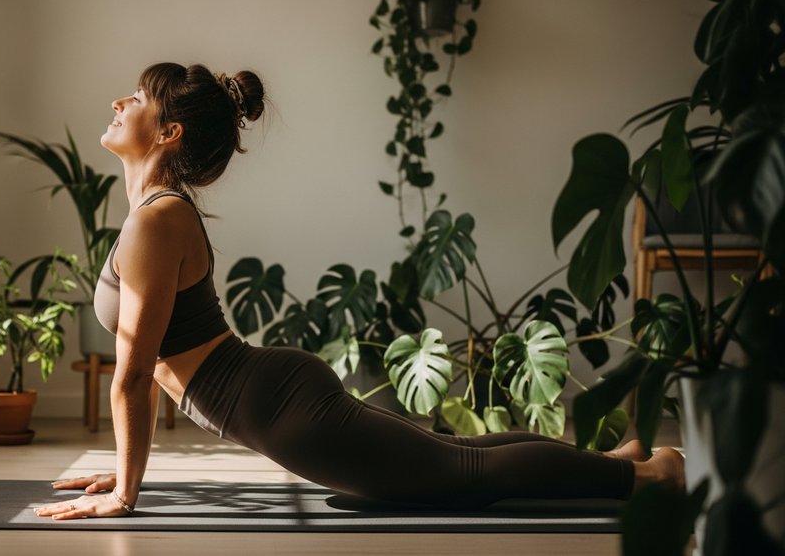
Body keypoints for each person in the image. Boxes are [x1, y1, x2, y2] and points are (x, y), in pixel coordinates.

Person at [34, 62, 685, 520]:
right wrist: (124, 472)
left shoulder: (158, 218)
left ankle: (647, 476)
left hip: (277, 408)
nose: (119, 103)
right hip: (272, 396)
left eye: (136, 97)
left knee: (457, 478)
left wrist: (126, 493)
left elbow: (134, 375)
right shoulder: (155, 213)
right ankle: (619, 459)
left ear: (169, 132)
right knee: (451, 454)